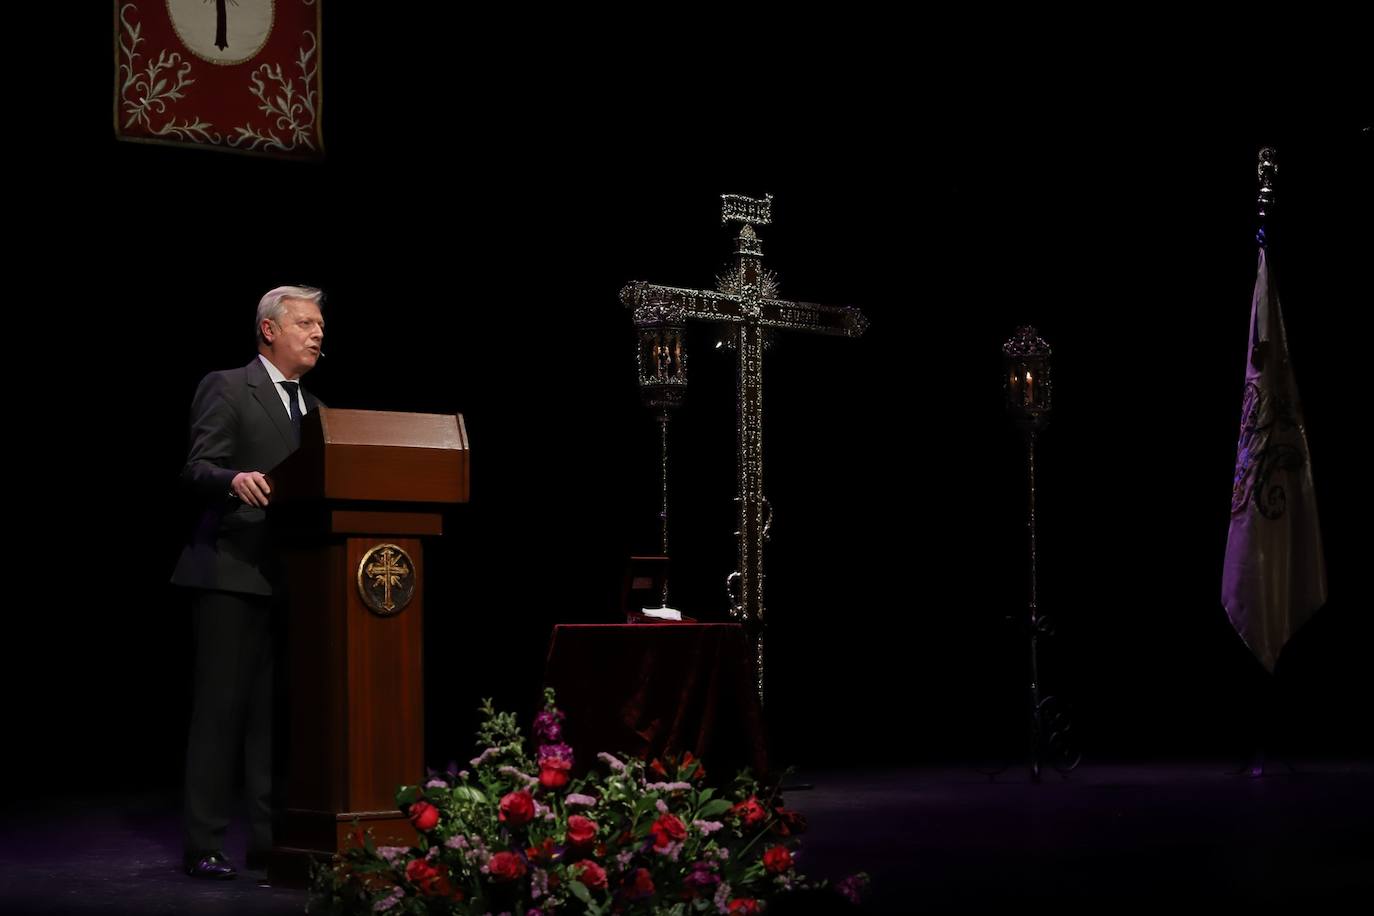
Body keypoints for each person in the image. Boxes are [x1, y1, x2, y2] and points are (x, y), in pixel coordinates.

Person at [170, 285, 325, 879]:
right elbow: (196, 467)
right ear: (269, 329)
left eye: (320, 326)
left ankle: (267, 840)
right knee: (221, 712)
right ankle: (203, 842)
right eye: (306, 323)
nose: (318, 334)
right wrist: (233, 479)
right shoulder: (228, 386)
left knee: (271, 719)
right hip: (230, 573)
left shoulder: (318, 410)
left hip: (294, 580)